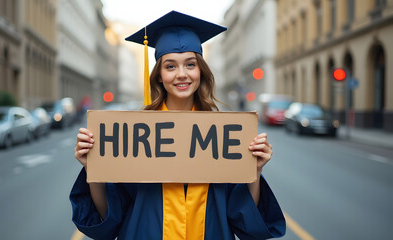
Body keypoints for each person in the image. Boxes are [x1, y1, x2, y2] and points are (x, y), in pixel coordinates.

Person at [71, 11, 286, 240]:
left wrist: (254, 170)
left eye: (190, 64)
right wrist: (92, 168)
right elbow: (110, 216)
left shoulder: (224, 134)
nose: (181, 75)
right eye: (170, 66)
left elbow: (242, 218)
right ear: (159, 75)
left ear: (200, 71)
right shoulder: (136, 134)